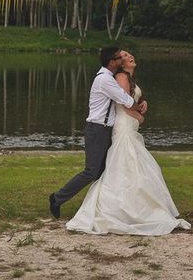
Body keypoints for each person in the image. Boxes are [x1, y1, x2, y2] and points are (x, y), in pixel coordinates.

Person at [65, 50, 191, 235]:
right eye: (124, 55)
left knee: (133, 164)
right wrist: (139, 116)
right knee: (126, 164)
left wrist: (143, 103)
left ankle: (137, 205)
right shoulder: (121, 77)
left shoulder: (128, 78)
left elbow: (132, 99)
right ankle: (123, 209)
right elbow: (124, 104)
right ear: (119, 63)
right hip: (124, 126)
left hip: (129, 126)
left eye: (129, 53)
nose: (129, 56)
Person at [49, 46, 147, 219]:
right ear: (112, 63)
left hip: (107, 129)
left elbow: (128, 98)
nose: (121, 60)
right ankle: (57, 198)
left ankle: (107, 206)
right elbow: (125, 100)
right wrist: (139, 109)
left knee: (108, 169)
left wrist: (141, 103)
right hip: (97, 129)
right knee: (92, 171)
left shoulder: (110, 77)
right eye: (119, 58)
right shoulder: (105, 80)